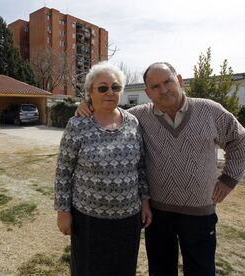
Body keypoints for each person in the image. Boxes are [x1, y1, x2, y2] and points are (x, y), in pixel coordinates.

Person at [76, 62, 245, 276]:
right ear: (148, 92)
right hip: (158, 214)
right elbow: (108, 108)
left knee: (201, 270)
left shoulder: (210, 110)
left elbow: (239, 140)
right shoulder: (138, 117)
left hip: (199, 212)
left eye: (167, 81)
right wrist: (86, 104)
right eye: (155, 86)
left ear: (179, 80)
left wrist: (229, 178)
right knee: (160, 270)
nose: (163, 89)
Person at [54, 61, 152, 276]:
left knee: (123, 268)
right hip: (88, 219)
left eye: (115, 87)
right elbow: (63, 171)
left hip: (128, 218)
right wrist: (63, 211)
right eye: (102, 88)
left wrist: (145, 201)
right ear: (90, 92)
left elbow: (141, 167)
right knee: (88, 269)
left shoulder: (133, 123)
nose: (110, 92)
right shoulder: (78, 124)